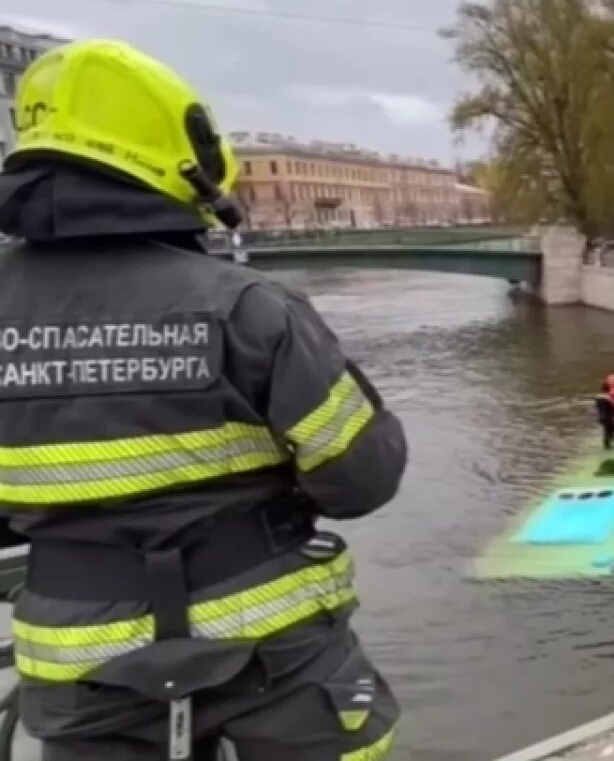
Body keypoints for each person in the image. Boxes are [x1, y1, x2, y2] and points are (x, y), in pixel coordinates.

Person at [0, 39, 407, 760]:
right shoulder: (247, 307)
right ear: (183, 155)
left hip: (76, 670)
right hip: (272, 660)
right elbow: (363, 478)